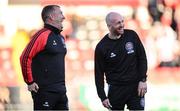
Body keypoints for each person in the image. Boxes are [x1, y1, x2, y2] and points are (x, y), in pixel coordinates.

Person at [94, 12, 148, 110]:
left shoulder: (132, 35)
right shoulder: (102, 47)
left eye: (122, 21)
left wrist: (143, 80)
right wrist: (102, 97)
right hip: (116, 90)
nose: (122, 25)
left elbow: (142, 58)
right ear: (109, 26)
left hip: (135, 88)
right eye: (118, 23)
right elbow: (98, 74)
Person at [20, 5, 68, 110]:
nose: (63, 17)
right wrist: (30, 82)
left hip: (61, 91)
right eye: (60, 13)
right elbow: (24, 57)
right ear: (51, 17)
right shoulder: (41, 35)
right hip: (44, 91)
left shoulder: (61, 37)